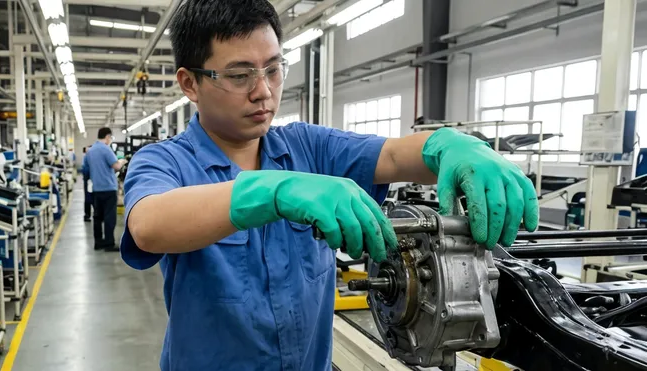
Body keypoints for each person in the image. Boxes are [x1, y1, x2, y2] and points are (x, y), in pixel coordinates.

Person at [119, 1, 540, 370]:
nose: (263, 91)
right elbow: (149, 224)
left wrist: (449, 146)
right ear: (190, 83)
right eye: (240, 75)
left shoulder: (309, 147)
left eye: (273, 69)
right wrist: (273, 192)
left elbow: (394, 156)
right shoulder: (165, 160)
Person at [87, 128, 127, 251]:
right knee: (110, 217)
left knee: (97, 217)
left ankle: (98, 242)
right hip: (109, 188)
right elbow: (116, 166)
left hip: (96, 188)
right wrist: (122, 161)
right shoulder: (106, 149)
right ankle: (109, 243)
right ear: (108, 136)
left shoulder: (91, 150)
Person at [81, 146, 92, 222]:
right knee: (89, 198)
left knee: (88, 198)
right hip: (89, 180)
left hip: (88, 180)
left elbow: (84, 170)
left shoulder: (86, 157)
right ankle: (88, 215)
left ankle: (87, 215)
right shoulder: (87, 157)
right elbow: (85, 170)